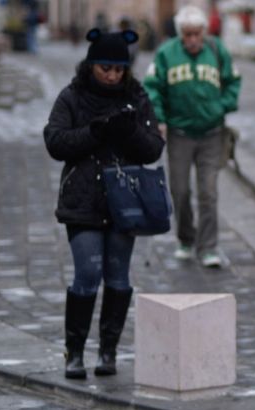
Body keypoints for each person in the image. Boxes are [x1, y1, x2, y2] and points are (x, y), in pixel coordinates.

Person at [43, 29, 165, 379]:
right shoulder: (73, 96)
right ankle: (75, 352)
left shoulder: (136, 96)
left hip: (125, 201)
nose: (112, 75)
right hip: (83, 199)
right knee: (87, 273)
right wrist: (95, 132)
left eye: (118, 69)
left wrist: (129, 132)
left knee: (118, 276)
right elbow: (55, 141)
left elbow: (154, 148)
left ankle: (108, 351)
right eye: (105, 68)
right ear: (92, 65)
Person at [144, 5, 242, 268]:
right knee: (180, 191)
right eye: (187, 34)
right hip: (179, 134)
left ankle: (208, 247)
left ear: (204, 32)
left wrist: (221, 107)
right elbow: (152, 88)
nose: (193, 40)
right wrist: (160, 118)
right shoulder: (166, 53)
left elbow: (233, 81)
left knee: (208, 192)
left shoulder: (216, 50)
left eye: (197, 34)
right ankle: (186, 238)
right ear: (180, 34)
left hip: (212, 133)